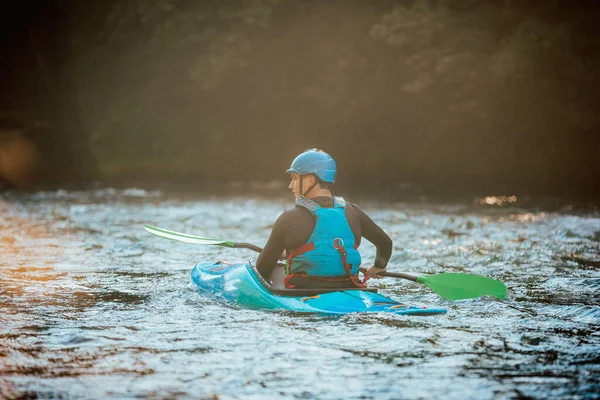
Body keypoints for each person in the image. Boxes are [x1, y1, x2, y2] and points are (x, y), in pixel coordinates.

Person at [256, 148, 392, 289]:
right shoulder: (354, 212)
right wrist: (378, 266)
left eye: (295, 178)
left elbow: (262, 269)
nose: (290, 185)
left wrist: (284, 253)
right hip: (349, 287)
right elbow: (385, 243)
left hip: (303, 296)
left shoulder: (289, 218)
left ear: (310, 180)